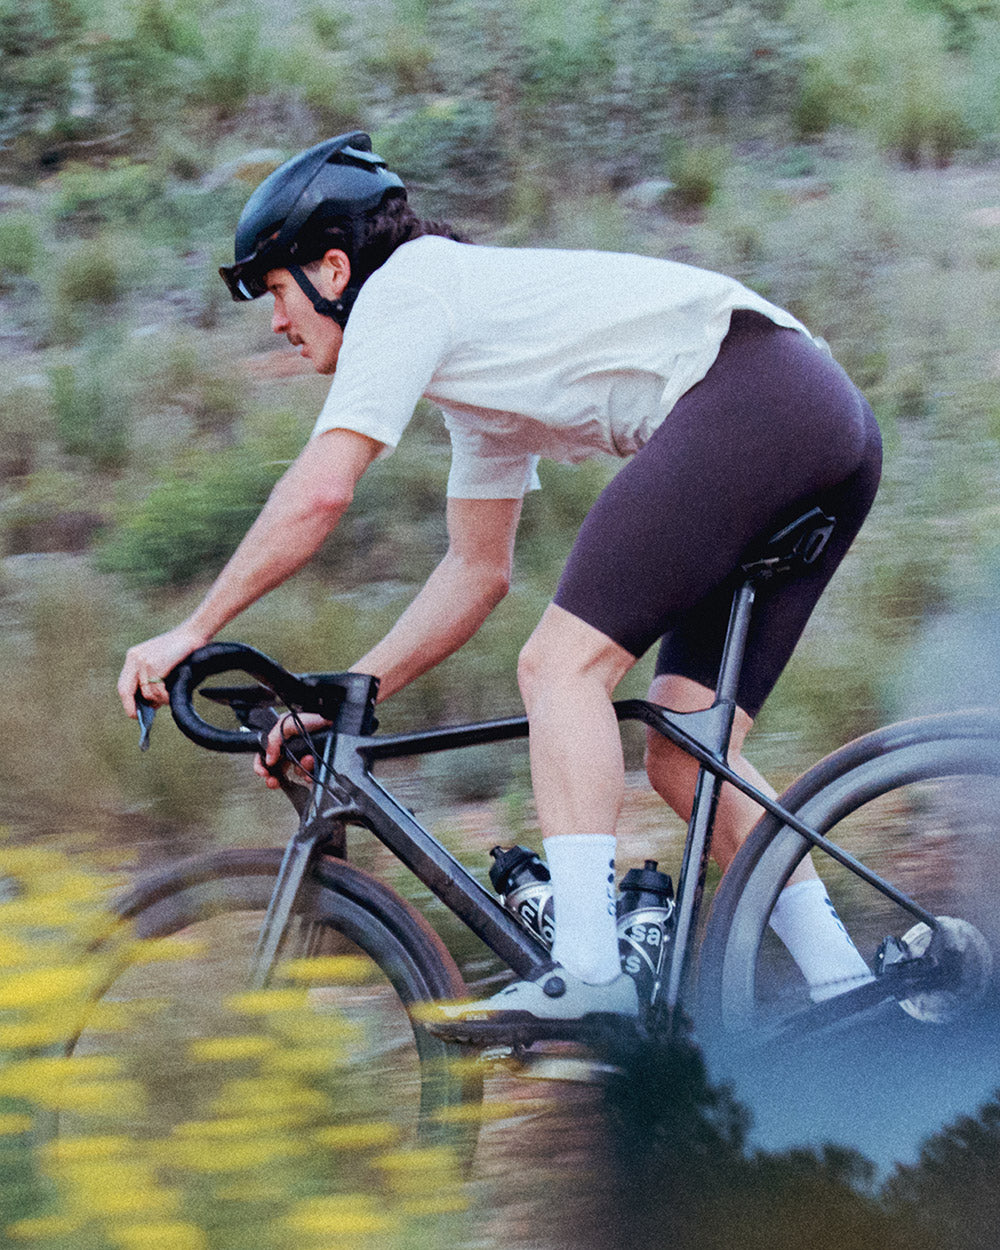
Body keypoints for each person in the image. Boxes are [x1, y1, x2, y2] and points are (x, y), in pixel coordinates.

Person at [118, 132, 881, 1026]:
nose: (277, 323)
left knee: (560, 667)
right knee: (684, 750)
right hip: (813, 414)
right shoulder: (474, 364)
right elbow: (476, 572)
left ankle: (590, 972)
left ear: (333, 269)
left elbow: (322, 491)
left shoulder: (406, 291)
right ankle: (856, 999)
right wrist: (353, 694)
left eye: (277, 292)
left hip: (758, 397)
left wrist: (193, 629)